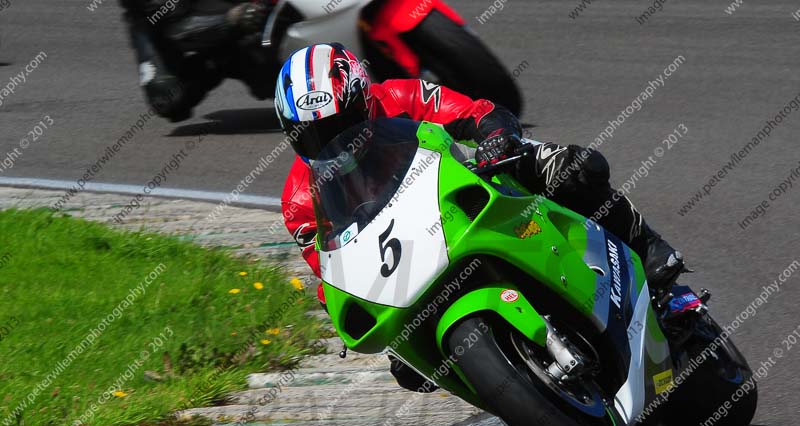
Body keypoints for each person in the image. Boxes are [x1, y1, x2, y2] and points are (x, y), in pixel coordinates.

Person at [277, 43, 684, 392]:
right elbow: (332, 271)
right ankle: (516, 384)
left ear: (363, 99)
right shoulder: (299, 200)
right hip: (407, 255)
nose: (332, 143)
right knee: (408, 366)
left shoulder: (399, 97)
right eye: (311, 135)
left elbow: (479, 112)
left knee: (570, 168)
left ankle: (648, 248)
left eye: (339, 125)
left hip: (470, 185)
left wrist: (494, 139)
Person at [119, 0, 276, 122]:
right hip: (165, 27)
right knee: (168, 100)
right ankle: (219, 61)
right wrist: (231, 21)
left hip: (224, 9)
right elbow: (179, 32)